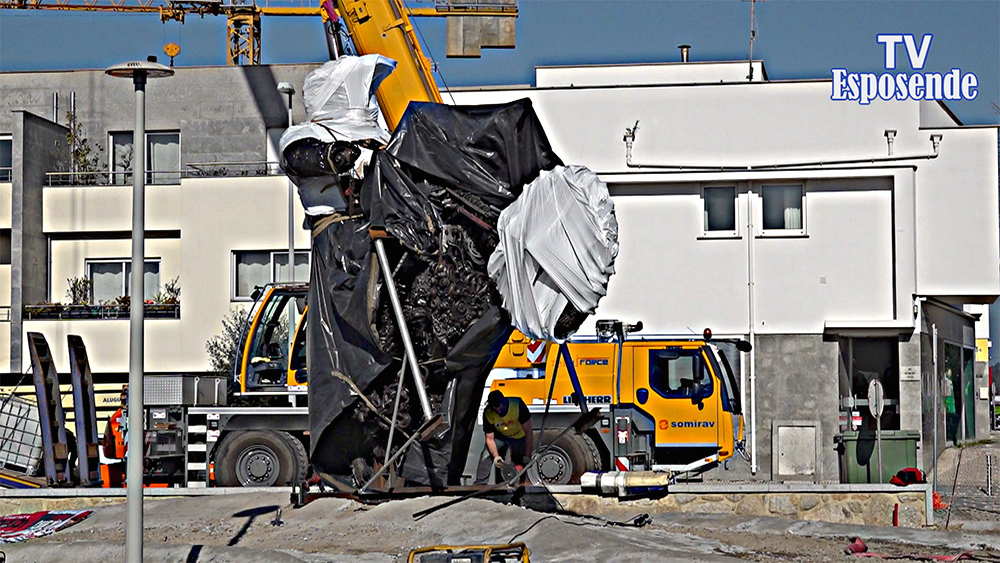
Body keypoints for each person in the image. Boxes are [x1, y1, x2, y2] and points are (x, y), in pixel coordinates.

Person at [475, 390, 533, 485]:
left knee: (517, 460)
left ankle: (519, 485)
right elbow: (489, 438)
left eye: (500, 409)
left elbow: (529, 433)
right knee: (486, 455)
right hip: (500, 437)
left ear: (504, 402)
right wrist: (496, 456)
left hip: (517, 436)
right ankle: (480, 485)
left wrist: (527, 456)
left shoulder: (517, 405)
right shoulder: (488, 413)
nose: (499, 412)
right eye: (496, 410)